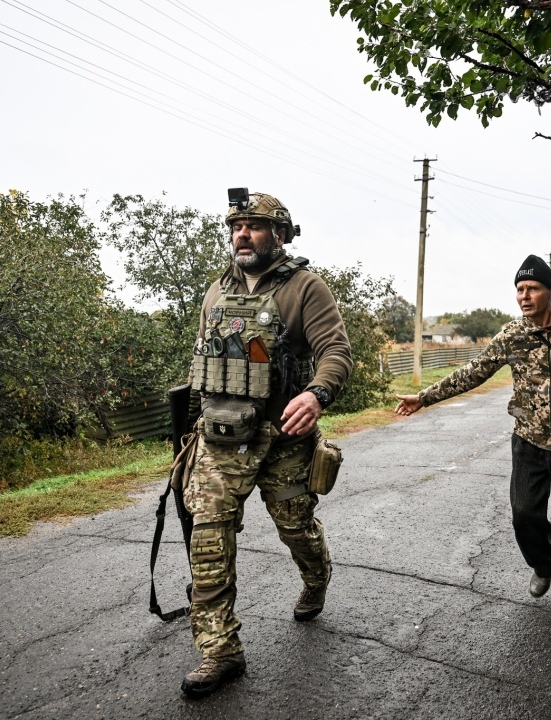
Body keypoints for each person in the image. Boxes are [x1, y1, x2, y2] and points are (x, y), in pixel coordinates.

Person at [180, 190, 352, 698]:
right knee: (207, 535)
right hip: (220, 439)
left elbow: (335, 350)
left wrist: (318, 395)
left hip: (284, 439)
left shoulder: (305, 288)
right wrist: (189, 427)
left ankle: (315, 577)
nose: (242, 234)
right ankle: (220, 651)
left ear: (279, 233)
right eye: (236, 226)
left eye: (254, 225)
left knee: (296, 527)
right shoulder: (216, 290)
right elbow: (203, 366)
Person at [395, 254, 551, 625]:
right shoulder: (511, 334)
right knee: (524, 514)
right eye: (520, 289)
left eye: (533, 288)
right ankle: (544, 564)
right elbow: (473, 372)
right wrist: (424, 397)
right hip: (528, 441)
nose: (525, 295)